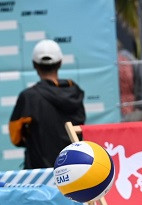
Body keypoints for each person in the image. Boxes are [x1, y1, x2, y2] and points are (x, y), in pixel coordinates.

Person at [8, 39, 86, 169]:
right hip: (73, 169)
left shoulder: (29, 97)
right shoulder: (75, 91)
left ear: (34, 64)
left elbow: (15, 137)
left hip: (40, 174)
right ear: (60, 62)